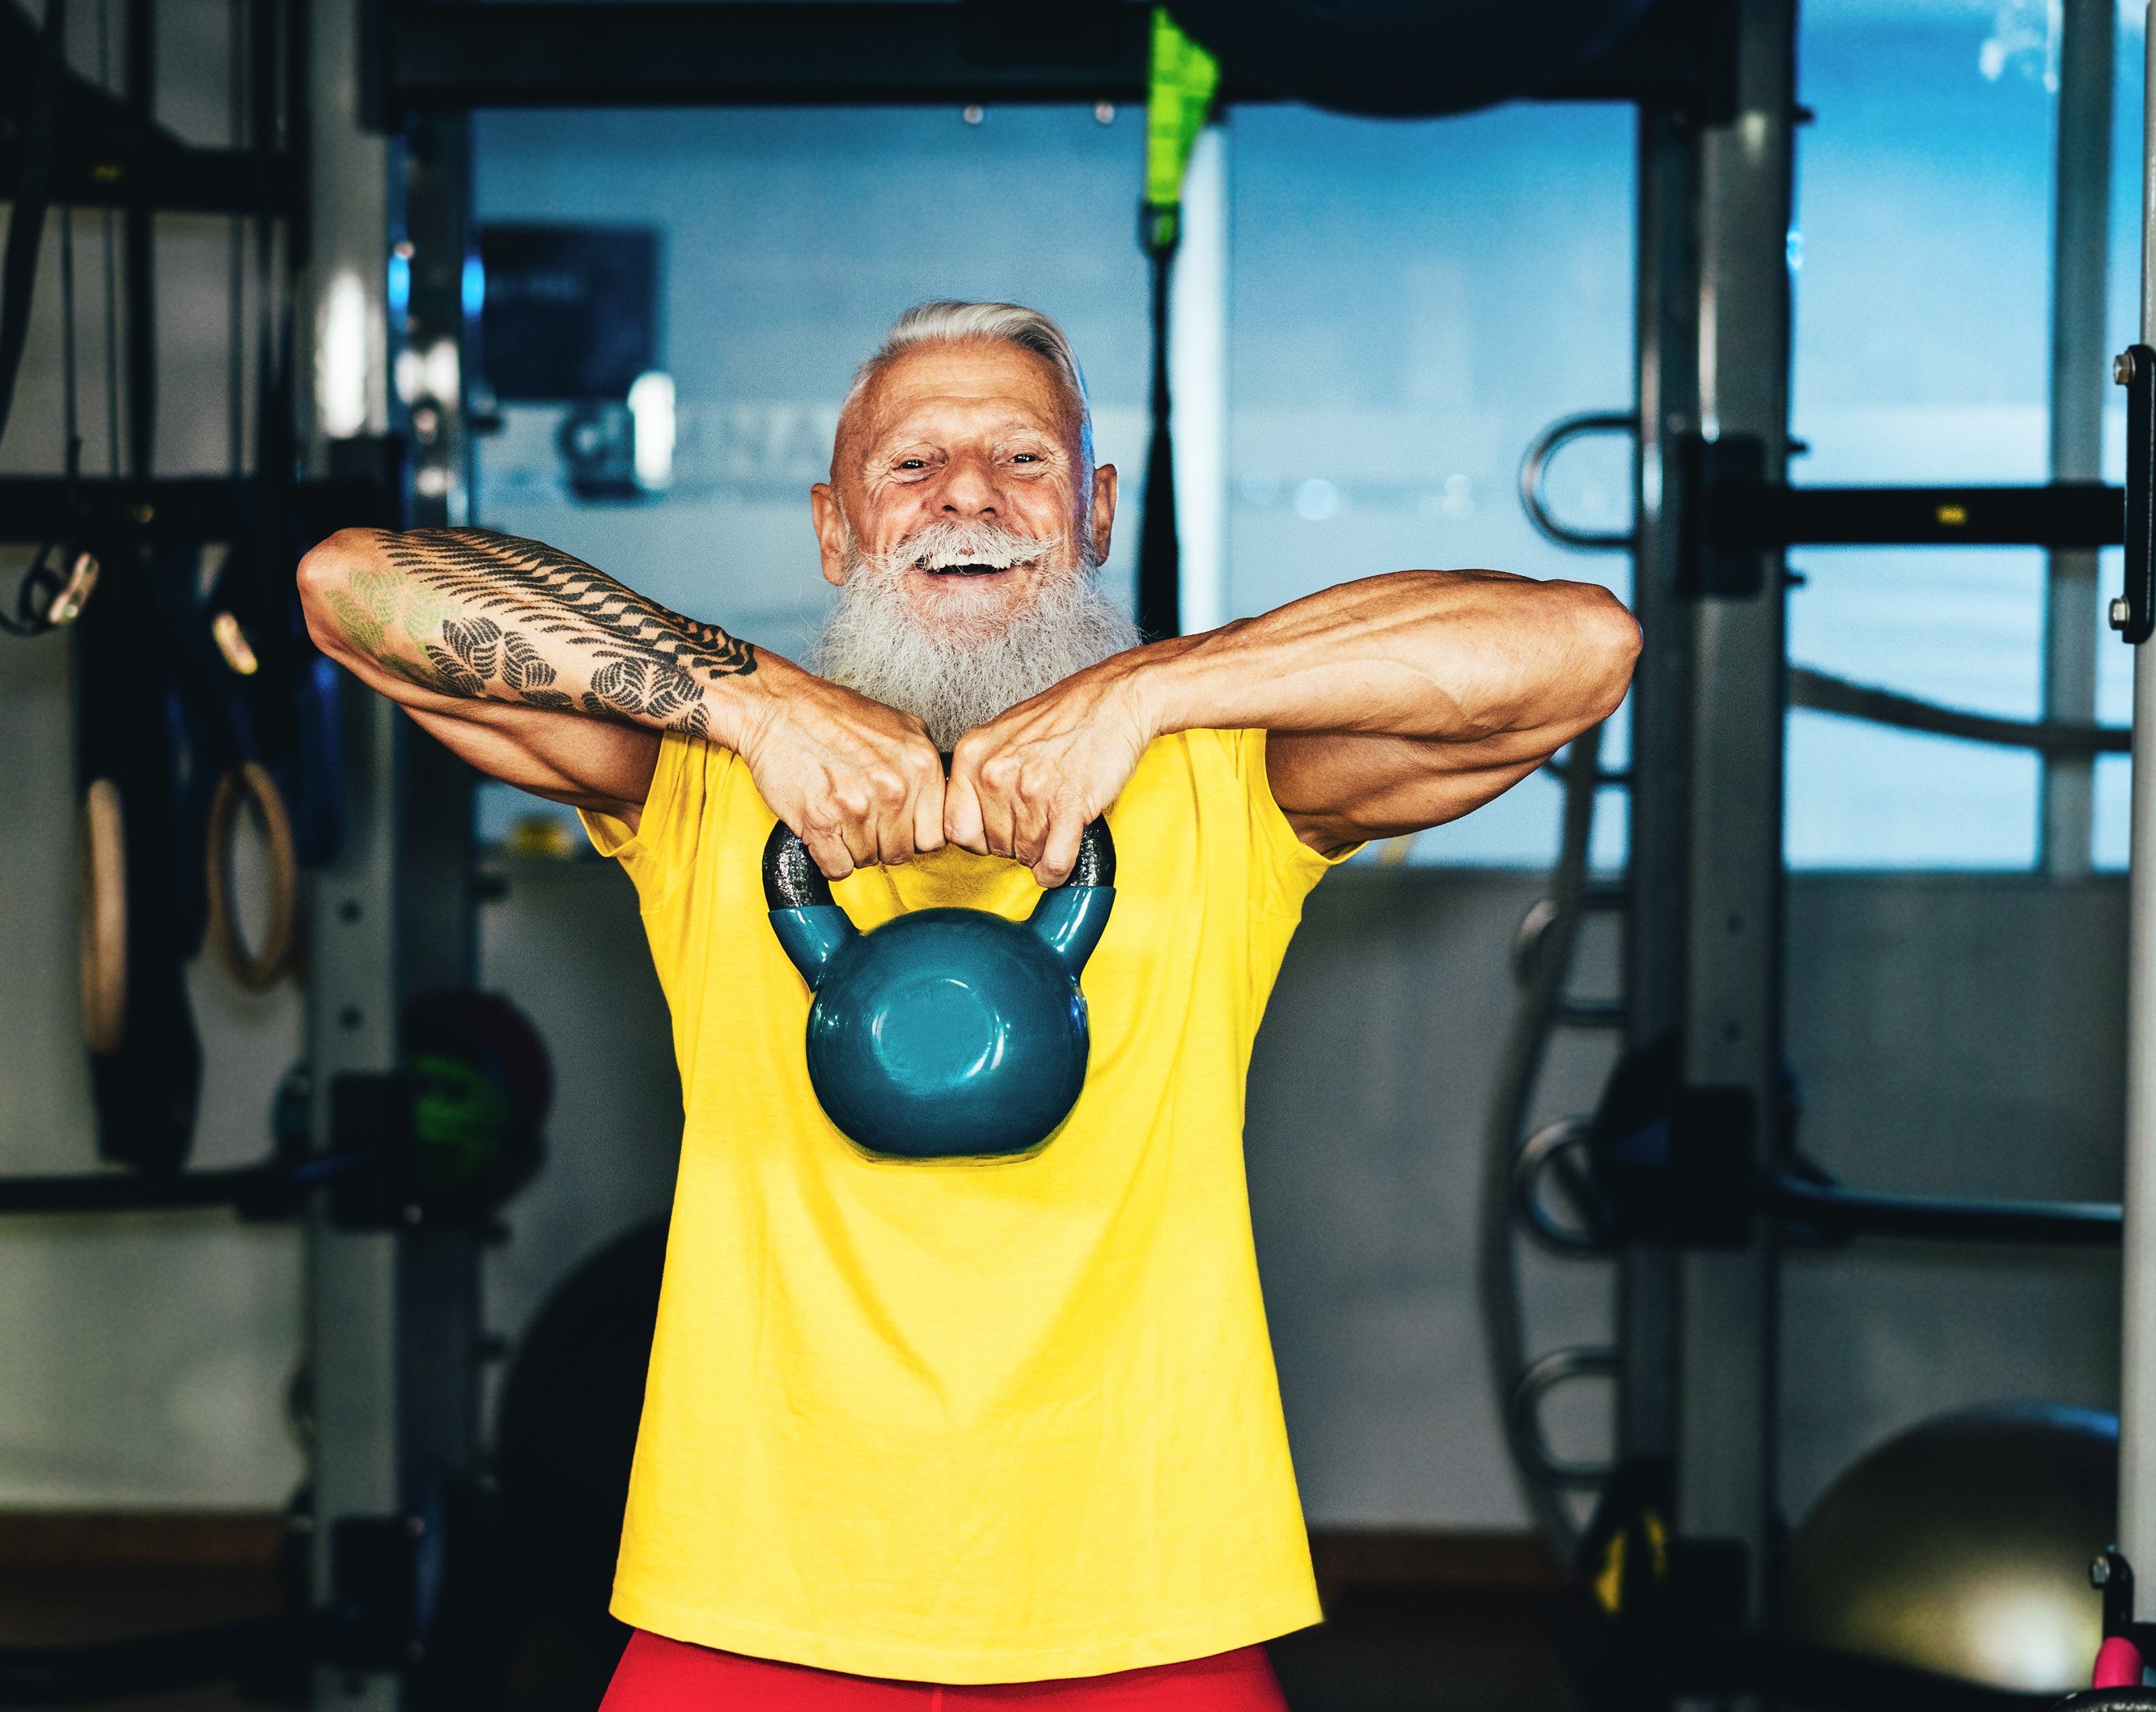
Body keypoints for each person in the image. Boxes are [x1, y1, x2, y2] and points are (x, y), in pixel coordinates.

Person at [299, 300, 1639, 1710]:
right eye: (911, 464)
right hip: (755, 1593)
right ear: (834, 530)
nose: (967, 499)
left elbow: (1582, 645)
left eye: (1022, 460)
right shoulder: (702, 773)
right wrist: (755, 702)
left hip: (1143, 1600)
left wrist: (1147, 691)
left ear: (1095, 511)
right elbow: (351, 588)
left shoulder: (1226, 782)